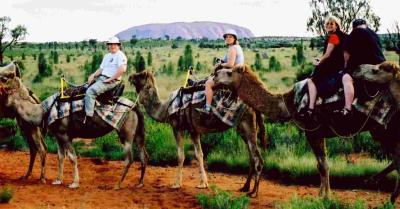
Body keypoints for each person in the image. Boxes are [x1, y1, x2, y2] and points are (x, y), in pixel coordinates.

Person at [300, 16, 348, 120]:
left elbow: (327, 54)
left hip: (331, 68)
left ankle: (310, 109)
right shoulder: (341, 36)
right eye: (327, 24)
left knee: (311, 81)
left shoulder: (333, 37)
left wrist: (318, 62)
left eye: (332, 23)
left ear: (336, 25)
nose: (329, 25)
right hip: (337, 67)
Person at [340, 19, 386, 116]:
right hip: (382, 66)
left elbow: (346, 54)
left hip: (367, 67)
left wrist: (345, 69)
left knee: (346, 78)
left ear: (354, 27)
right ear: (366, 25)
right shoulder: (374, 34)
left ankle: (347, 109)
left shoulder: (355, 32)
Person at [196, 29, 245, 113]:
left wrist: (221, 65)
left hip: (232, 75)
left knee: (208, 84)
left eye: (230, 37)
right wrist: (222, 61)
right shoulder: (237, 47)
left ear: (234, 39)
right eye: (226, 37)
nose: (228, 38)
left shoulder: (232, 48)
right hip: (237, 74)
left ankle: (207, 108)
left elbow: (230, 64)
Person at [83, 37, 127, 123]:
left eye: (115, 44)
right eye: (110, 44)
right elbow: (101, 69)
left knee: (90, 92)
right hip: (102, 78)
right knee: (84, 87)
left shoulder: (120, 55)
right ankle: (93, 106)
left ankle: (89, 118)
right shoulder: (107, 56)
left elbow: (122, 69)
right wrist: (93, 75)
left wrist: (110, 79)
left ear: (118, 46)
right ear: (108, 46)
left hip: (112, 81)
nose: (112, 46)